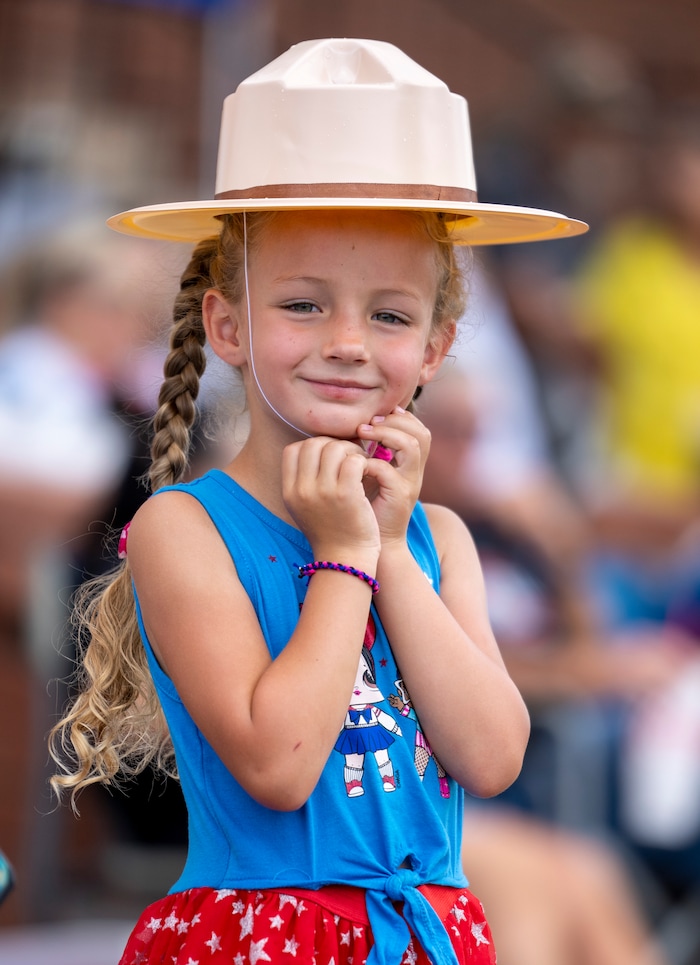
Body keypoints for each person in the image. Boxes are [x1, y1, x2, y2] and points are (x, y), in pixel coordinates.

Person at [49, 38, 586, 965]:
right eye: (302, 305)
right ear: (227, 324)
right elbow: (279, 763)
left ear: (435, 347)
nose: (347, 342)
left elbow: (492, 756)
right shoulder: (187, 529)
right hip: (262, 938)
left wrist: (388, 546)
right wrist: (344, 559)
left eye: (388, 315)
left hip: (424, 939)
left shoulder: (439, 537)